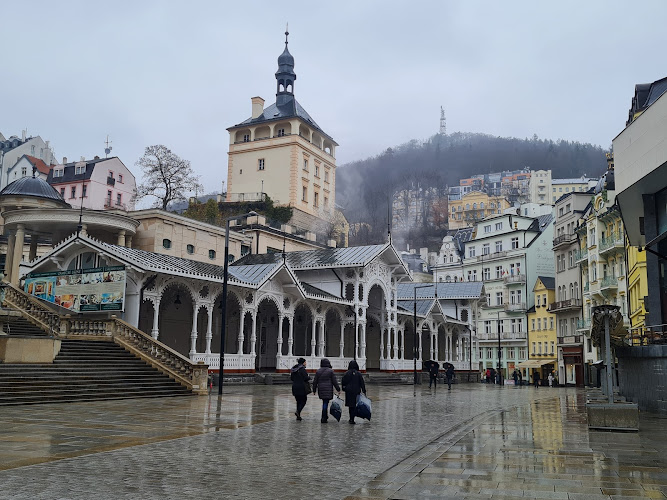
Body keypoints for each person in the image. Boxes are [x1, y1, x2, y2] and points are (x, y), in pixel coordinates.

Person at [312, 358, 340, 423]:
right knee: (325, 403)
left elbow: (315, 381)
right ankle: (324, 417)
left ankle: (325, 416)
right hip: (328, 389)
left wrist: (314, 390)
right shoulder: (330, 371)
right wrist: (338, 389)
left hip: (321, 389)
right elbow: (334, 381)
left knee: (324, 402)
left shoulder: (318, 371)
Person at [341, 360, 366, 424]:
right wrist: (364, 391)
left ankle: (351, 418)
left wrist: (344, 388)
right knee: (355, 405)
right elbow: (362, 383)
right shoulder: (358, 374)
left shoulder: (346, 373)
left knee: (350, 405)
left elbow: (343, 382)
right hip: (356, 391)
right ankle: (353, 418)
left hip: (349, 391)